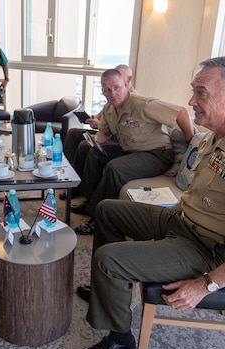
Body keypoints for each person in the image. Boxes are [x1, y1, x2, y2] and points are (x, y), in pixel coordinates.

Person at [71, 56, 225, 349]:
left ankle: (120, 342)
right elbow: (210, 193)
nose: (190, 101)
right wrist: (181, 207)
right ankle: (109, 292)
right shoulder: (217, 137)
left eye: (201, 93)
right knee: (107, 210)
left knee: (108, 259)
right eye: (193, 91)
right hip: (183, 223)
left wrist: (205, 285)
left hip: (208, 249)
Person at [72, 69, 194, 235]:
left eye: (116, 87)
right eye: (107, 89)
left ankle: (96, 216)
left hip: (158, 154)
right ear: (103, 92)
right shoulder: (109, 109)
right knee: (93, 153)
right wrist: (95, 141)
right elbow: (105, 133)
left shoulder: (142, 104)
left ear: (125, 85)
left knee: (115, 168)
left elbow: (181, 112)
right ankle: (89, 200)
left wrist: (190, 141)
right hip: (130, 150)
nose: (113, 93)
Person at [64, 65, 135, 196]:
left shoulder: (133, 102)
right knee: (73, 133)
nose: (112, 90)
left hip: (116, 140)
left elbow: (122, 129)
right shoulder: (111, 101)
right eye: (108, 88)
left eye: (117, 84)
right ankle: (67, 178)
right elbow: (100, 117)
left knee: (85, 145)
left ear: (127, 80)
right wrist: (91, 120)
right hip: (105, 133)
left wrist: (100, 125)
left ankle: (80, 189)